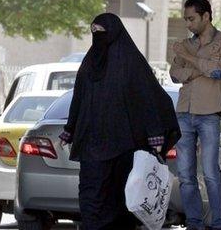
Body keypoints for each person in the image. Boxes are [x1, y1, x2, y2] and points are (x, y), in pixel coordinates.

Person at [59, 13, 180, 230]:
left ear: (114, 32)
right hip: (92, 143)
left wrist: (155, 136)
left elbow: (147, 98)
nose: (97, 37)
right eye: (93, 32)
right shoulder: (89, 63)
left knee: (119, 198)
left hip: (123, 145)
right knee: (90, 197)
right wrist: (69, 130)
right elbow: (78, 98)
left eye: (101, 32)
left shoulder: (131, 62)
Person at [169, 0, 221, 230]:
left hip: (209, 114)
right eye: (186, 19)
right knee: (185, 175)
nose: (188, 24)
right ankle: (193, 223)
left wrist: (188, 59)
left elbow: (217, 71)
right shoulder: (187, 42)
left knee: (211, 173)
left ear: (206, 16)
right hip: (183, 113)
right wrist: (199, 70)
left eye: (192, 19)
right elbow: (174, 74)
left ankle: (218, 223)